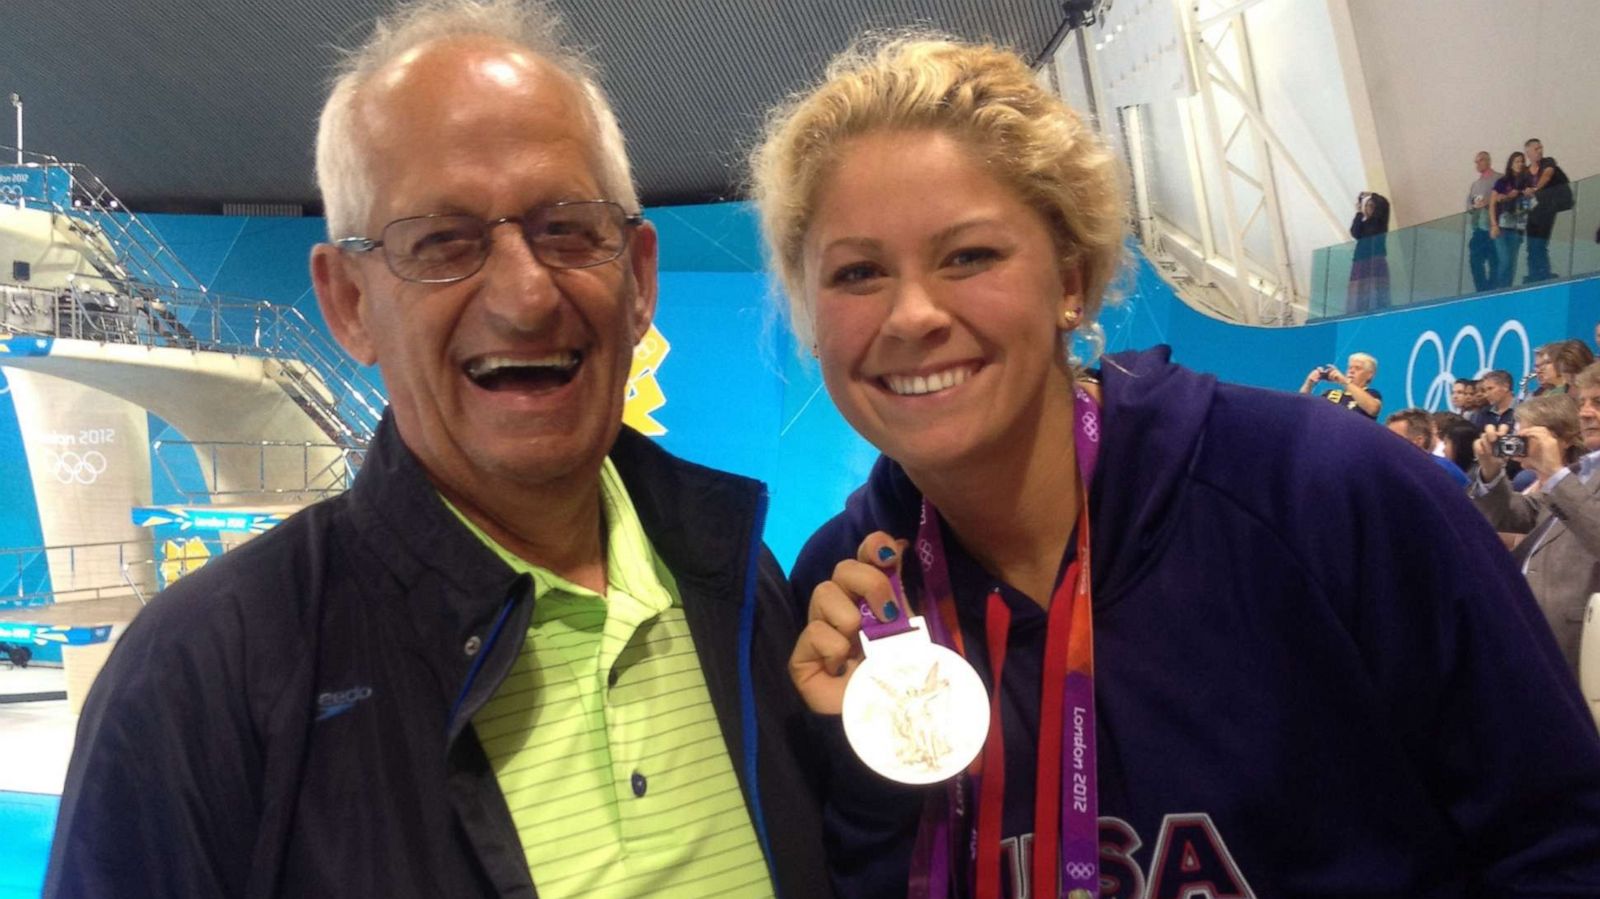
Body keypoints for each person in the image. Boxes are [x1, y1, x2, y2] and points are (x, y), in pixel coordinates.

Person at [750, 34, 1600, 899]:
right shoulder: (846, 597)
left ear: (1070, 278)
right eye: (858, 272)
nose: (913, 313)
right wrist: (869, 781)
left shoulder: (1327, 494)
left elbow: (1563, 842)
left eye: (968, 255)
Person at [44, 2, 830, 897]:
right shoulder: (197, 679)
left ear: (638, 278)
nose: (526, 296)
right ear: (347, 303)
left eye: (567, 228)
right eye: (442, 242)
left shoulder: (738, 584)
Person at [1471, 376, 1600, 676]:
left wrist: (1554, 473)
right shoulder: (1585, 470)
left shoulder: (1566, 475)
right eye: (1582, 403)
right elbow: (1518, 515)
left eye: (1598, 403)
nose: (1585, 412)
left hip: (1582, 645)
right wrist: (1490, 473)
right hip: (1535, 634)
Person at [1523, 138, 1573, 284]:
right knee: (1531, 246)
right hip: (1532, 212)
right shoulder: (1525, 173)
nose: (1540, 151)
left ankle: (1543, 274)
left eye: (1541, 148)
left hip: (1547, 208)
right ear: (1528, 152)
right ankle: (1534, 275)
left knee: (1540, 244)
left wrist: (1536, 189)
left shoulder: (1548, 162)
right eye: (1536, 149)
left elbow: (1547, 174)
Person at [1388, 408, 1469, 487]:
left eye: (1395, 438)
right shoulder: (1392, 470)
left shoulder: (1442, 470)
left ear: (1418, 441)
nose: (1388, 442)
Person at [1489, 151, 1533, 288]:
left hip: (1517, 226)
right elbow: (1492, 203)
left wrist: (1528, 195)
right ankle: (1500, 287)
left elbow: (1528, 206)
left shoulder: (1526, 183)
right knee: (1505, 260)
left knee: (1513, 262)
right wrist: (1494, 224)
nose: (1520, 164)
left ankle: (1507, 288)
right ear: (1511, 164)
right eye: (1517, 161)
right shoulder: (1503, 181)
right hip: (1502, 225)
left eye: (1522, 161)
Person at [1297, 352, 1383, 418]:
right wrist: (1309, 383)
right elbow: (1301, 406)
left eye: (1357, 368)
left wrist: (1344, 381)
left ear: (1370, 375)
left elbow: (1373, 409)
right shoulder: (1330, 393)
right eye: (1350, 367)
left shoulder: (1371, 394)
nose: (1351, 371)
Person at [1347, 191, 1391, 312]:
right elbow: (1355, 232)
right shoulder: (1363, 223)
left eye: (1372, 205)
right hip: (1360, 260)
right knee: (1359, 290)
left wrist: (1371, 194)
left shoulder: (1380, 222)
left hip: (1375, 258)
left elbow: (1384, 204)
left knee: (1377, 289)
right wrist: (1359, 212)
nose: (1369, 208)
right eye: (1367, 206)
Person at [1465, 151, 1500, 292]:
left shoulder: (1499, 179)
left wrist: (1488, 202)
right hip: (1479, 228)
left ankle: (1493, 288)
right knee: (1475, 260)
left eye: (1480, 161)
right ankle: (1482, 289)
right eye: (1476, 162)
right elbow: (1469, 204)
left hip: (1493, 227)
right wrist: (1474, 205)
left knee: (1494, 261)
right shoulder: (1475, 184)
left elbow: (1504, 198)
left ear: (1488, 161)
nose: (1477, 164)